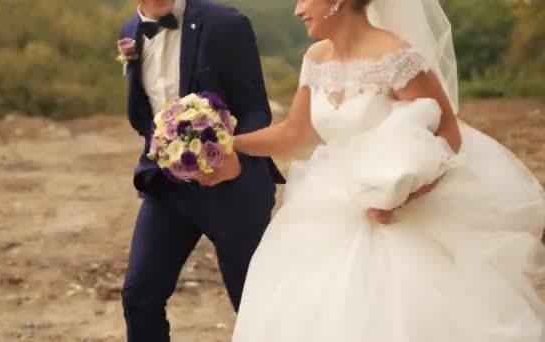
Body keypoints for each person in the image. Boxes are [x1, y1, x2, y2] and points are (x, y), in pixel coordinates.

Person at [226, 0, 545, 340]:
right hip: (327, 205)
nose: (297, 9)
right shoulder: (316, 59)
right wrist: (227, 144)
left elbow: (448, 133)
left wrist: (404, 194)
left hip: (396, 215)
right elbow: (293, 133)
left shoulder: (397, 57)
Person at [116, 0, 284, 340]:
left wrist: (233, 158)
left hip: (233, 189)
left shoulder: (225, 23)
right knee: (140, 295)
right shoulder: (130, 33)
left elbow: (254, 109)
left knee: (254, 304)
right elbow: (142, 114)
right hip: (167, 189)